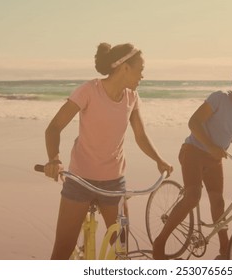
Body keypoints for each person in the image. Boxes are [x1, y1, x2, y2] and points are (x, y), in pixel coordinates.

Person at [42, 42, 173, 260]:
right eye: (140, 70)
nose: (142, 75)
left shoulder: (131, 97)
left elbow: (140, 135)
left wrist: (159, 160)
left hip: (114, 182)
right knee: (62, 252)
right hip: (80, 181)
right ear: (124, 68)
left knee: (121, 249)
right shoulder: (89, 91)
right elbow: (54, 128)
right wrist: (54, 159)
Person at [153, 64, 232, 260]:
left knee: (218, 202)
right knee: (193, 196)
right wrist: (211, 146)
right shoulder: (219, 97)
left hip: (214, 159)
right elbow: (193, 122)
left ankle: (224, 248)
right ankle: (159, 242)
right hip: (193, 152)